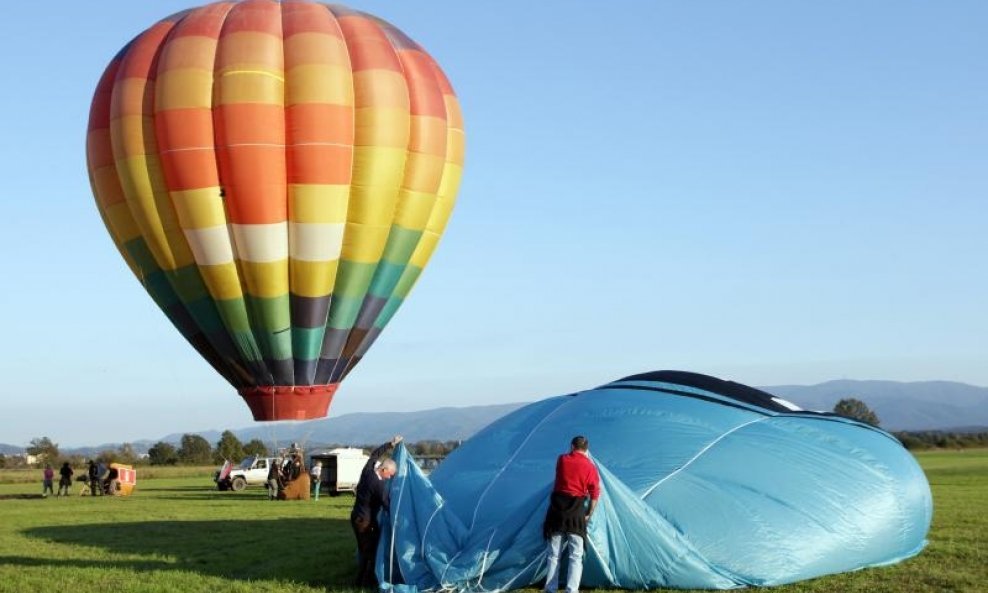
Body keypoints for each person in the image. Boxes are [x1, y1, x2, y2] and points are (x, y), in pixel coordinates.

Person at [542, 435, 601, 593]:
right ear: (587, 449)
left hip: (557, 512)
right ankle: (571, 590)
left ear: (572, 446)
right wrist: (589, 513)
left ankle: (551, 588)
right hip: (576, 513)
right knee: (575, 556)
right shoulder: (590, 467)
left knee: (554, 554)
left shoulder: (562, 459)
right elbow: (595, 493)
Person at [351, 435, 402, 588]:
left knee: (365, 550)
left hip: (356, 517)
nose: (389, 478)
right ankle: (363, 582)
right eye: (390, 475)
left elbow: (374, 454)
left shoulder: (367, 471)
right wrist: (400, 518)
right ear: (384, 469)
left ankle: (364, 580)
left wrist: (390, 444)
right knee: (370, 553)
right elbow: (387, 504)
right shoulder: (378, 486)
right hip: (365, 522)